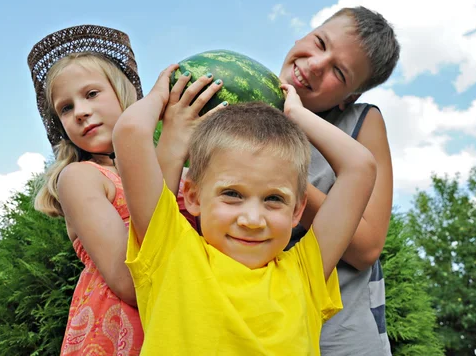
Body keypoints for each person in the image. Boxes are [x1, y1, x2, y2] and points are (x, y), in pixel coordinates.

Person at [112, 61, 378, 354]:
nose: (253, 220)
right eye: (232, 194)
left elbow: (360, 167)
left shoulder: (306, 273)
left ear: (297, 211)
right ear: (193, 196)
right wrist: (160, 98)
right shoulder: (169, 251)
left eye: (274, 199)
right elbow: (131, 131)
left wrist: (296, 116)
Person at [27, 25, 223, 355]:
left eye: (91, 94)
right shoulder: (80, 178)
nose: (81, 112)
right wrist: (173, 145)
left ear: (124, 94)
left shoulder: (182, 172)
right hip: (124, 335)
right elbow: (131, 283)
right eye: (66, 108)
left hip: (190, 324)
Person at [279, 6, 400, 355]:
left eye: (339, 72)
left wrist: (273, 178)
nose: (316, 64)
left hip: (337, 339)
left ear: (350, 97)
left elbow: (366, 247)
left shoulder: (361, 123)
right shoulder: (242, 111)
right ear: (303, 35)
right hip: (256, 327)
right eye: (319, 42)